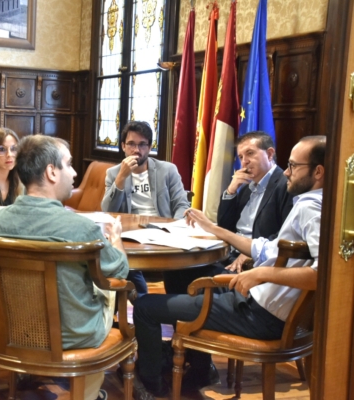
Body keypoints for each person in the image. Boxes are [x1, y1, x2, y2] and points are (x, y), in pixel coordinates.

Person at [133, 135, 325, 397]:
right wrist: (213, 229)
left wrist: (260, 272)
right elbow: (267, 249)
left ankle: (151, 387)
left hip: (259, 314)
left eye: (293, 166)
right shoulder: (322, 204)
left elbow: (324, 275)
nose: (287, 172)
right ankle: (199, 367)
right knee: (184, 277)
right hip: (259, 302)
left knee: (144, 307)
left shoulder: (312, 209)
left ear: (318, 172)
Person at [0, 134, 129, 400]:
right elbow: (118, 271)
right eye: (69, 164)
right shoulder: (81, 228)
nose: (74, 173)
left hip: (15, 331)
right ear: (51, 171)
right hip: (75, 334)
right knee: (111, 290)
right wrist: (116, 239)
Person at [164, 131, 294, 294]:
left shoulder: (284, 186)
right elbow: (226, 225)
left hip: (254, 264)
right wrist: (231, 190)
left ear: (269, 154)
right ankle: (184, 317)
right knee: (174, 267)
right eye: (240, 157)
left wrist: (252, 252)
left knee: (186, 275)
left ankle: (198, 315)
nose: (244, 162)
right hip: (229, 253)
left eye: (250, 153)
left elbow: (285, 234)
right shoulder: (247, 187)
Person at [101, 121, 190, 296]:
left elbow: (182, 205)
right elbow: (107, 210)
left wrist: (172, 228)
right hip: (130, 234)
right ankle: (141, 300)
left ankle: (169, 307)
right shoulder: (113, 173)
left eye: (142, 144)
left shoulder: (167, 170)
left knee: (179, 272)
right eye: (131, 144)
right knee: (120, 259)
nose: (136, 150)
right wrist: (121, 177)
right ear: (123, 147)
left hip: (163, 231)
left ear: (149, 147)